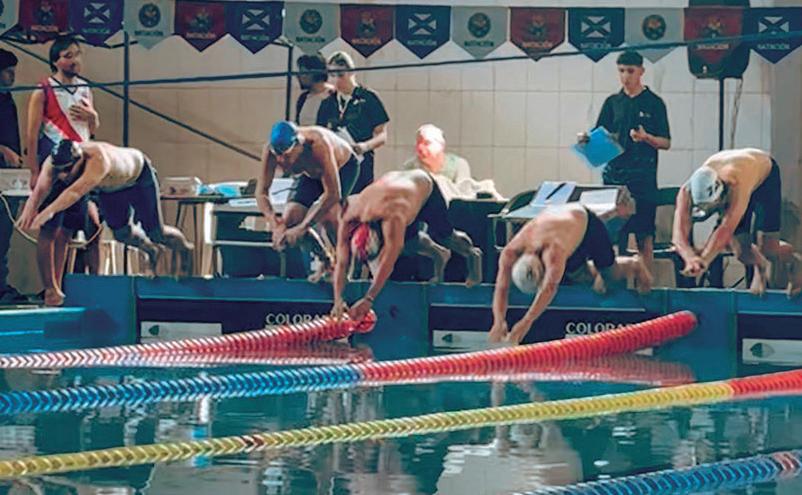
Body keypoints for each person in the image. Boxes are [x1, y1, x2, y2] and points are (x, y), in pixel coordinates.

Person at [18, 140, 193, 276]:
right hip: (111, 188)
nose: (63, 176)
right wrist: (29, 211)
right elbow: (40, 189)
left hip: (138, 178)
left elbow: (74, 193)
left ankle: (185, 249)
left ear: (79, 160)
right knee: (122, 234)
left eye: (68, 170)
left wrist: (48, 212)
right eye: (59, 171)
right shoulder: (52, 161)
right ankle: (151, 250)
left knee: (156, 233)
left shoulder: (98, 160)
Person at [489, 204, 652, 345]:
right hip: (563, 228)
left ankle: (633, 263)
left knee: (611, 277)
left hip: (585, 223)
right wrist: (498, 321)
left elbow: (549, 288)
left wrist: (526, 322)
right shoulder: (510, 253)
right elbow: (501, 287)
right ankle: (592, 273)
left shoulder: (553, 252)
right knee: (583, 279)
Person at [332, 169, 483, 321]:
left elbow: (388, 260)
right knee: (409, 245)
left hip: (424, 187)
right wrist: (338, 299)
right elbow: (342, 261)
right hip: (398, 191)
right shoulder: (350, 213)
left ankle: (473, 254)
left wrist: (369, 298)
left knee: (445, 238)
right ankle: (439, 254)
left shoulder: (393, 217)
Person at [24, 35, 101, 306]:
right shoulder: (43, 90)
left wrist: (94, 118)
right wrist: (34, 172)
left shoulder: (85, 89)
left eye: (77, 54)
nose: (75, 60)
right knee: (49, 227)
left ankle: (58, 285)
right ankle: (49, 288)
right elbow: (31, 136)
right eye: (68, 56)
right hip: (54, 166)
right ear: (55, 61)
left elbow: (91, 130)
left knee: (68, 230)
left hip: (81, 166)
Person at [580, 51, 670, 272]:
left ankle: (646, 283)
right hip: (614, 178)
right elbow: (599, 136)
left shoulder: (654, 103)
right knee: (610, 234)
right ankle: (612, 280)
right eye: (621, 71)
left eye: (630, 71)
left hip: (643, 178)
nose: (626, 76)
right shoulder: (613, 103)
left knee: (644, 236)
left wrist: (646, 138)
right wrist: (586, 140)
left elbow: (666, 142)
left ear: (641, 71)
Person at [672, 148, 802, 296]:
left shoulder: (736, 184)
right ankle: (760, 266)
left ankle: (796, 262)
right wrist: (690, 257)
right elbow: (678, 236)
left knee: (768, 248)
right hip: (738, 171)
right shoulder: (685, 192)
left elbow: (725, 230)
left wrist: (703, 261)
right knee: (741, 252)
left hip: (765, 177)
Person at [256, 121, 372, 274]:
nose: (282, 162)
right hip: (310, 175)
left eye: (286, 157)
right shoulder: (270, 152)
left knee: (329, 216)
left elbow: (333, 194)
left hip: (343, 168)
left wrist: (303, 227)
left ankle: (346, 268)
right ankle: (325, 259)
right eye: (278, 158)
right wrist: (274, 224)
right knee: (290, 220)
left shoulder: (318, 144)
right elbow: (261, 192)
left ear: (299, 145)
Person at [318, 51, 389, 182]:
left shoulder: (368, 98)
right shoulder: (328, 102)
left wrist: (365, 146)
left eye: (341, 75)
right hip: (335, 164)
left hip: (361, 165)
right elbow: (320, 133)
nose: (336, 80)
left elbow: (382, 135)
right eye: (332, 75)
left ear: (351, 72)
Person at [0, 49, 27, 303]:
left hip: (8, 176)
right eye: (8, 72)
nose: (12, 77)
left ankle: (1, 285)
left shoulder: (7, 99)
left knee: (3, 233)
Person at [403, 124, 471, 184]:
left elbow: (463, 192)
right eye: (418, 143)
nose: (420, 148)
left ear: (441, 145)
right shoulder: (410, 167)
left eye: (427, 143)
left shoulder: (459, 165)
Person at [295, 53, 334, 126]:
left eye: (303, 72)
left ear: (315, 73)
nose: (299, 77)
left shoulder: (333, 96)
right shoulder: (303, 98)